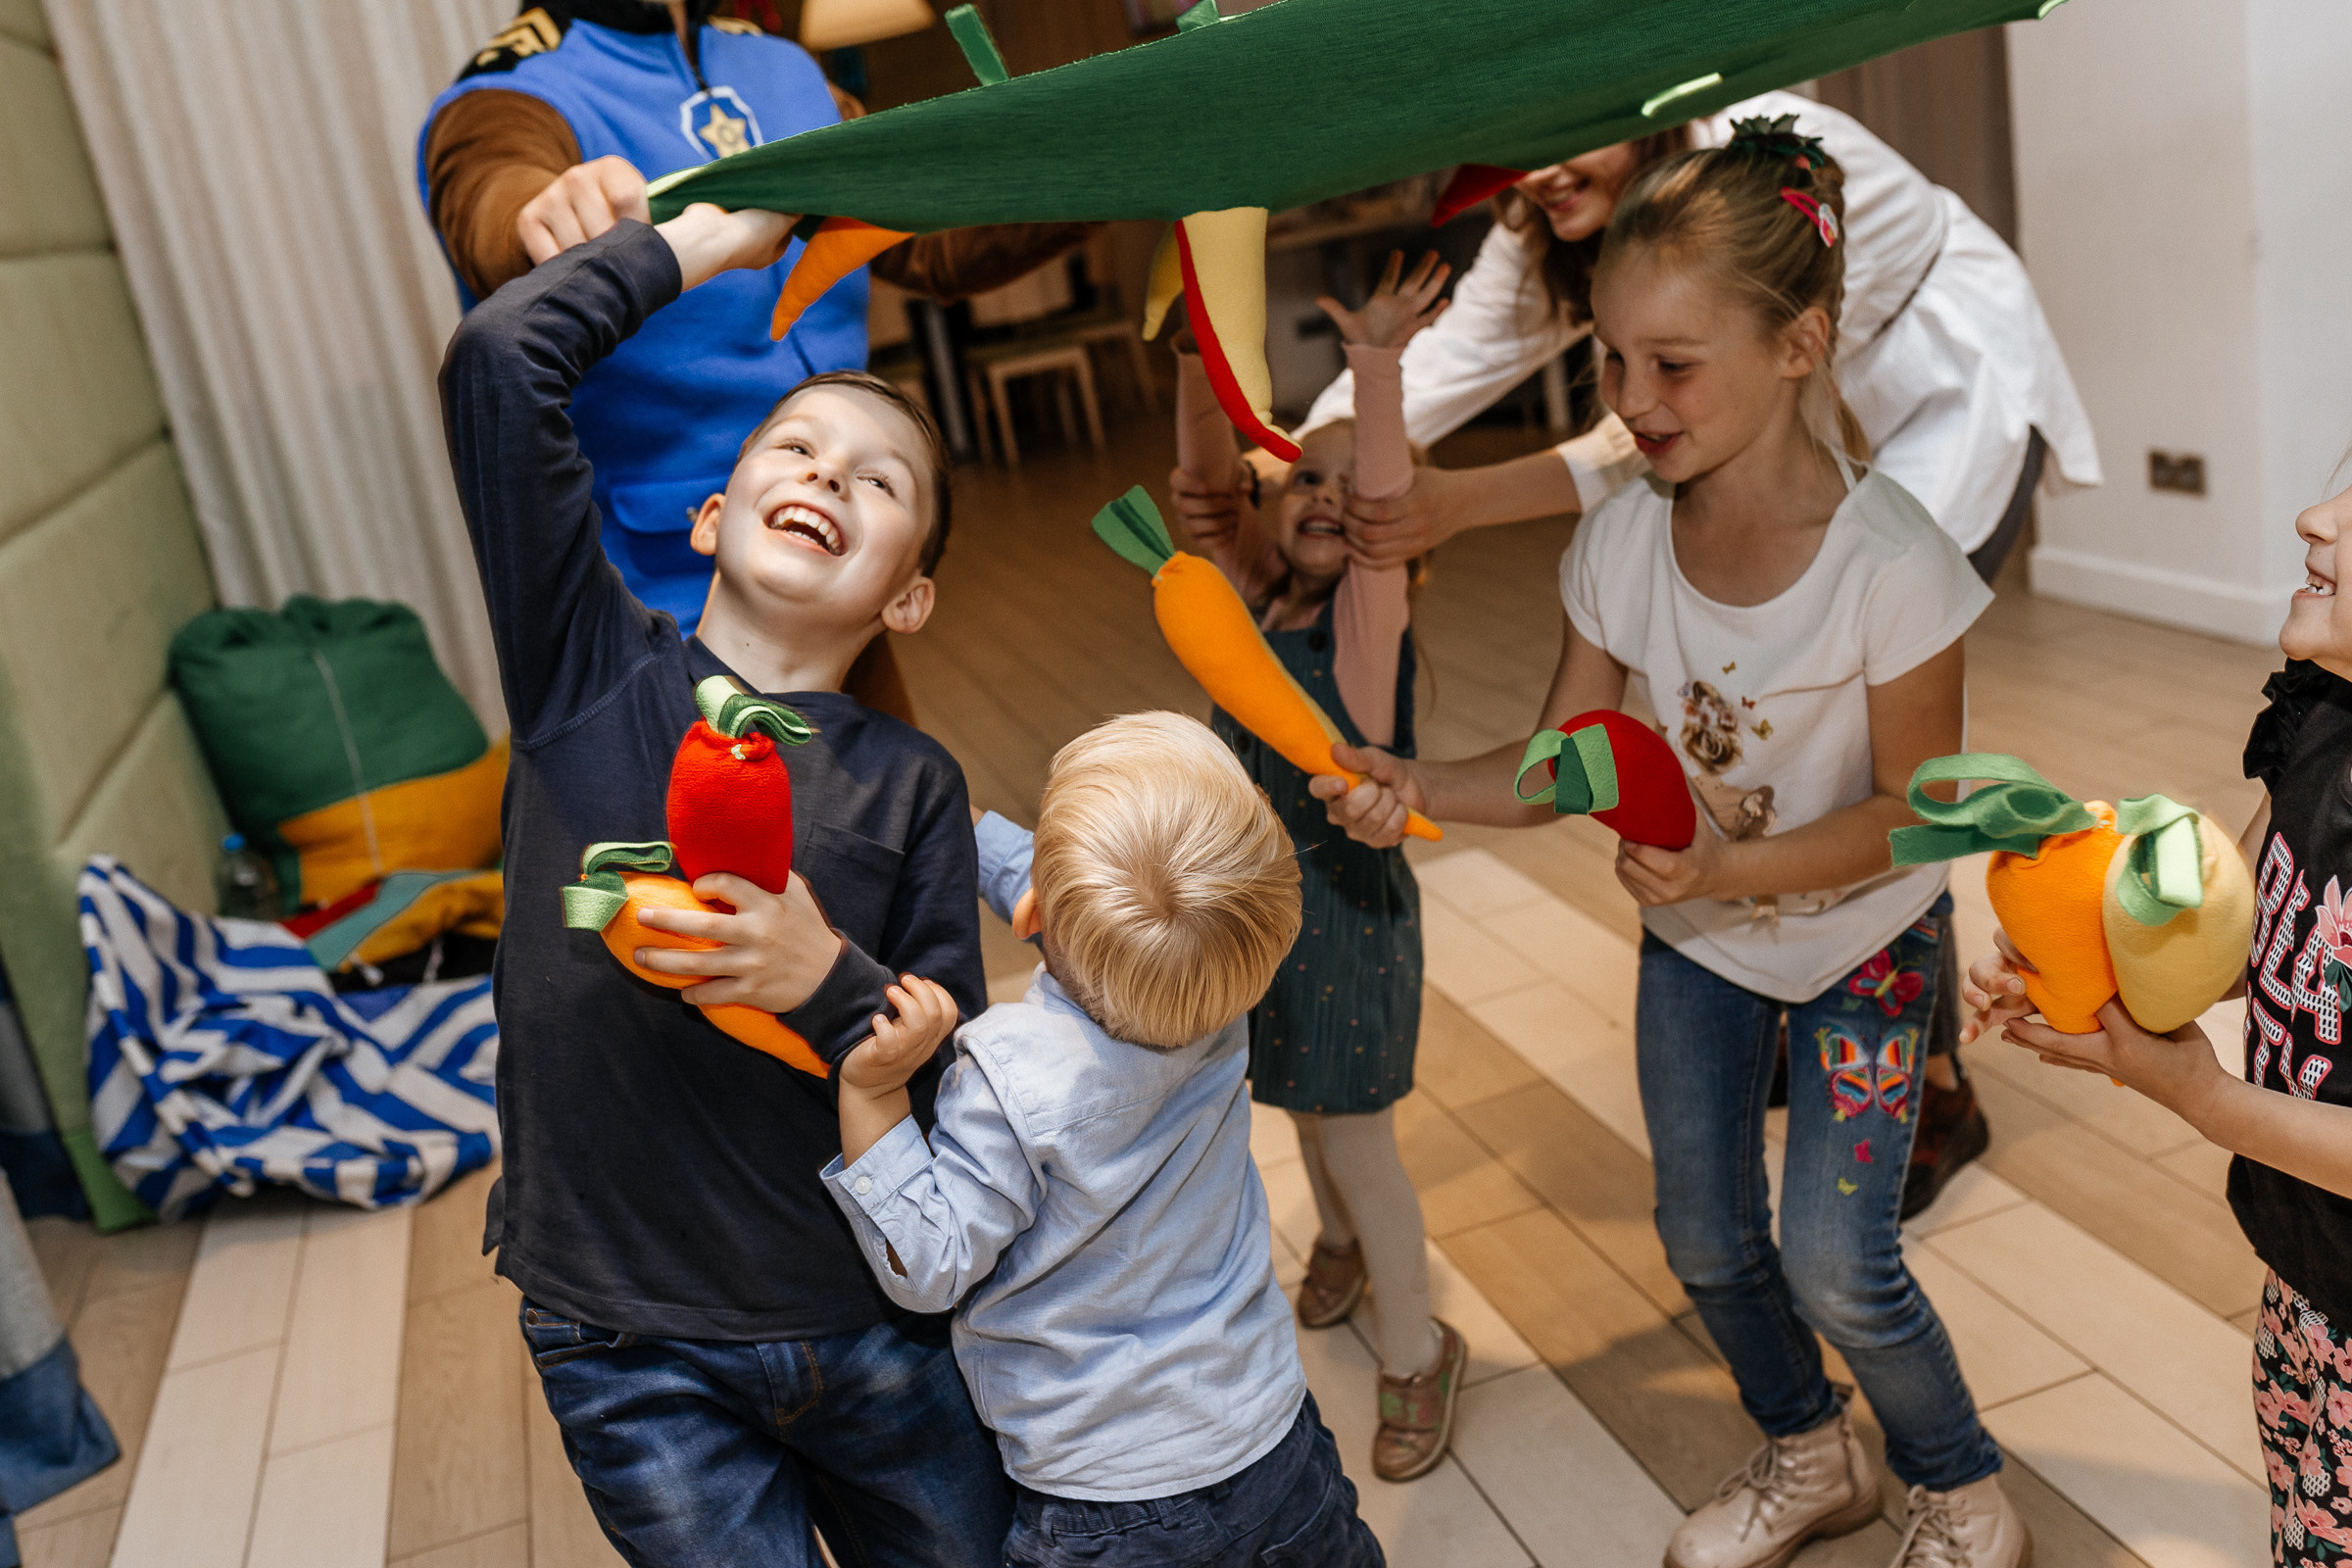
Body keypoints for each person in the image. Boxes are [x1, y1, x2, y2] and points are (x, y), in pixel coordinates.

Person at [1312, 123, 2028, 1567]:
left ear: (1799, 345)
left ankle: (1960, 1484)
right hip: (1697, 948)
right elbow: (1565, 760)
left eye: (1674, 365)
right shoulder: (1622, 542)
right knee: (1703, 1238)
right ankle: (1809, 1453)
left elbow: (1915, 814)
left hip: (1866, 948)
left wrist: (1724, 871)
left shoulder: (1899, 565)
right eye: (1611, 365)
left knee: (1842, 1263)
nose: (1633, 401)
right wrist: (1409, 778)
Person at [1290, 90, 2096, 1216]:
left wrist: (1460, 501)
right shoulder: (1576, 237)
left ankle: (1933, 1075)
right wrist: (1292, 456)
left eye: (1560, 134)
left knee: (1880, 753)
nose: (1535, 175)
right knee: (1772, 717)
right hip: (1775, 432)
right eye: (1511, 153)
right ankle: (1778, 970)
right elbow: (1478, 366)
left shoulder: (1745, 170)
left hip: (1943, 393)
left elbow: (1663, 414)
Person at [439, 200, 1009, 1567]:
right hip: (628, 1339)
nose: (830, 472)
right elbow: (498, 362)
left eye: (882, 482)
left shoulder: (912, 783)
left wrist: (832, 989)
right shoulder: (588, 672)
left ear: (910, 595)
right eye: (796, 445)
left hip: (871, 1320)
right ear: (708, 516)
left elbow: (950, 1073)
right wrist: (710, 239)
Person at [821, 710, 1384, 1568]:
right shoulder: (1219, 997)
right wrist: (974, 834)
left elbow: (930, 1268)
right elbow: (1118, 916)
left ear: (1036, 914)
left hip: (1104, 1499)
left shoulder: (1008, 1076)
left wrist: (872, 1091)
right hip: (1271, 1443)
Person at [419, 0, 1092, 704]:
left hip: (840, 581)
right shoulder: (503, 93)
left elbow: (929, 234)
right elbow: (492, 203)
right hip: (671, 608)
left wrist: (1125, 170)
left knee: (889, 801)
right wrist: (546, 213)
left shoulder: (786, 64)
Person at [1971, 477, 2352, 1565]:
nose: (2315, 514)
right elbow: (2231, 933)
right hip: (2307, 1264)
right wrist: (2083, 961)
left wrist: (2203, 1095)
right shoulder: (2316, 713)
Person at [1170, 250, 1465, 1479]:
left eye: (1355, 488)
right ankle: (1338, 1241)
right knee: (1294, 1106)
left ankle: (1416, 1352)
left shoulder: (1363, 625)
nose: (1331, 495)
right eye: (1306, 475)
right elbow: (1200, 478)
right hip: (1261, 920)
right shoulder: (1245, 598)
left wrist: (1376, 370)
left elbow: (1378, 511)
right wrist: (1197, 341)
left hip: (1347, 915)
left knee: (1354, 1139)